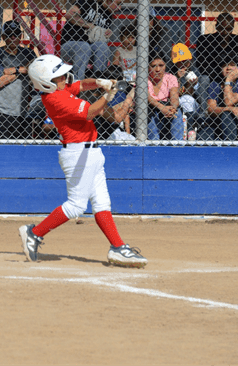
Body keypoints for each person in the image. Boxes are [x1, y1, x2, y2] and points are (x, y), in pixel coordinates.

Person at [19, 54, 147, 268]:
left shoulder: (60, 89)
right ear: (46, 82)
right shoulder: (55, 99)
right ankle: (34, 233)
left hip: (91, 152)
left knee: (102, 203)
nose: (64, 78)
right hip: (78, 154)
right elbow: (90, 112)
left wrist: (99, 82)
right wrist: (108, 95)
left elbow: (80, 85)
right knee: (76, 206)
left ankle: (117, 247)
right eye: (59, 76)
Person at [59, 0, 127, 80]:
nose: (119, 7)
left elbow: (98, 38)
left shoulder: (108, 15)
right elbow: (69, 14)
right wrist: (90, 25)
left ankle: (99, 82)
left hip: (90, 49)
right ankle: (78, 82)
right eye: (118, 3)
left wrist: (105, 34)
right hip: (69, 46)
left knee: (103, 47)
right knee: (84, 47)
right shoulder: (89, 0)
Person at [0, 20, 37, 140]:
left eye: (16, 34)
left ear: (21, 36)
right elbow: (0, 81)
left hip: (22, 112)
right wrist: (21, 70)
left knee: (22, 148)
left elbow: (37, 71)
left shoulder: (28, 53)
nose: (13, 37)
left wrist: (10, 70)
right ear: (4, 37)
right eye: (9, 34)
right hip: (0, 110)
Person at [194, 12, 238, 84]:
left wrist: (234, 73)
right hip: (213, 79)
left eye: (228, 29)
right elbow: (202, 66)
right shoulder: (205, 41)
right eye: (221, 29)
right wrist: (223, 73)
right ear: (216, 26)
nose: (225, 33)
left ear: (233, 28)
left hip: (235, 77)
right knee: (204, 79)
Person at [205, 60, 238, 141]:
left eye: (232, 65)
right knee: (202, 137)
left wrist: (228, 80)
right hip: (218, 125)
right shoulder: (214, 84)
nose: (228, 68)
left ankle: (229, 145)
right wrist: (229, 109)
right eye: (224, 65)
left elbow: (229, 102)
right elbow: (211, 109)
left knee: (226, 114)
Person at [147, 54, 184, 141]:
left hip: (167, 109)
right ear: (148, 67)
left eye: (161, 65)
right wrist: (162, 108)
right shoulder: (143, 79)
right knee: (146, 110)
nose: (157, 69)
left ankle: (177, 143)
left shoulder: (171, 78)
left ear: (165, 66)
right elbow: (146, 97)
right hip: (151, 108)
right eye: (153, 66)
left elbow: (174, 98)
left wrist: (173, 109)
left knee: (177, 111)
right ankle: (154, 142)